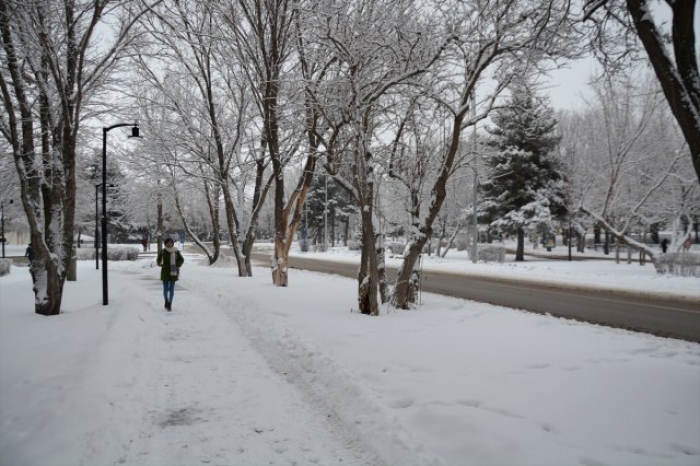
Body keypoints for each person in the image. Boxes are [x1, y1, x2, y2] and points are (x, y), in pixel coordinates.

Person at [157, 237, 184, 311]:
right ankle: (166, 301)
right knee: (165, 288)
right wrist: (160, 263)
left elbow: (181, 259)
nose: (169, 244)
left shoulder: (176, 251)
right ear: (165, 244)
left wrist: (177, 264)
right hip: (165, 271)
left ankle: (170, 304)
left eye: (170, 243)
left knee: (171, 289)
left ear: (172, 243)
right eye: (167, 243)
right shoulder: (163, 251)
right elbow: (158, 259)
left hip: (173, 271)